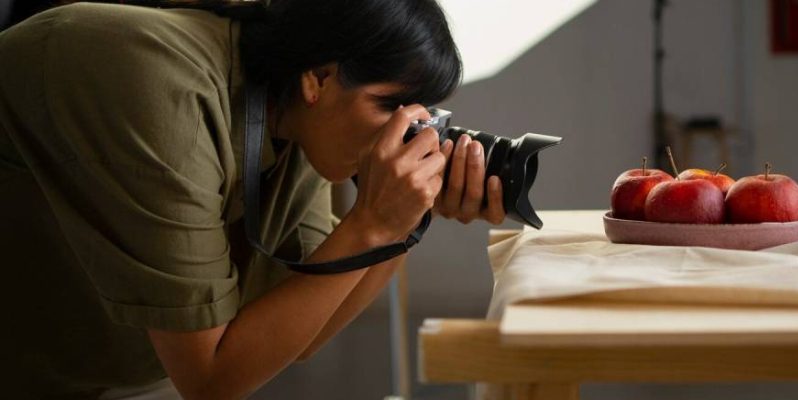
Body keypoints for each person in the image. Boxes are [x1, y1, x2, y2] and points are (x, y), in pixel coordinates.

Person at [0, 0, 504, 398]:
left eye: (418, 115)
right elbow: (211, 379)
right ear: (320, 79)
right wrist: (373, 222)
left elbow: (295, 332)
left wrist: (402, 224)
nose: (405, 132)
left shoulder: (293, 120)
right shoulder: (166, 93)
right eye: (390, 106)